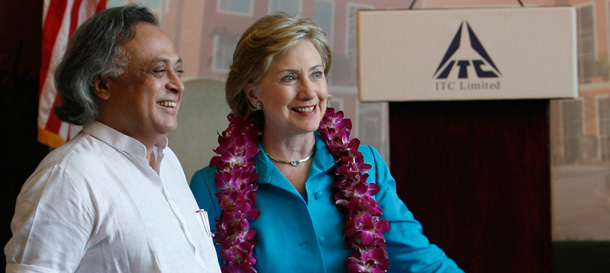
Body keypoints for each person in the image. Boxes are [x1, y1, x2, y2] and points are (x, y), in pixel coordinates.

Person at [189, 12, 464, 273]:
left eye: (316, 74)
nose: (309, 92)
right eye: (290, 77)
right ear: (253, 94)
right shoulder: (212, 187)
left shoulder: (366, 167)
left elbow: (421, 262)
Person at [4, 4, 221, 273]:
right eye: (157, 70)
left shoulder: (168, 162)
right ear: (103, 84)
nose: (178, 85)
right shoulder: (65, 178)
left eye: (178, 70)